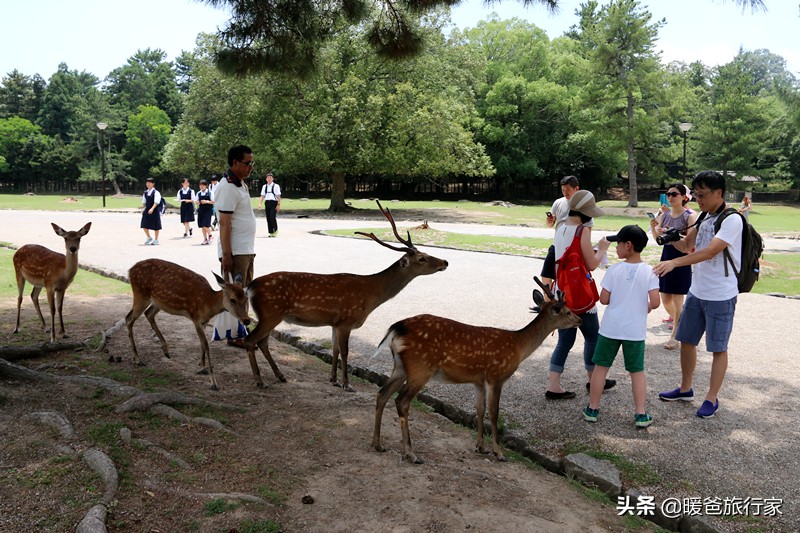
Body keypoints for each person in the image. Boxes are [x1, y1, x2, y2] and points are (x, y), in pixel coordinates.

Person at [653, 171, 743, 419]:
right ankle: (685, 389)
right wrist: (668, 237)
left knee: (718, 348)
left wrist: (674, 264)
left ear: (718, 193)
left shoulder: (732, 220)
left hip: (721, 294)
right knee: (687, 341)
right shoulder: (703, 216)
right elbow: (686, 246)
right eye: (696, 194)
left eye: (702, 195)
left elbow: (710, 252)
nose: (698, 200)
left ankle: (711, 398)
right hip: (698, 290)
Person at [583, 225, 660, 428]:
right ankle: (640, 413)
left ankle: (592, 407)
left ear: (628, 245)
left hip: (611, 327)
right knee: (636, 371)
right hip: (634, 330)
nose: (616, 248)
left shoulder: (615, 270)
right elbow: (656, 301)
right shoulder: (649, 271)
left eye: (618, 244)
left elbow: (604, 299)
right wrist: (647, 306)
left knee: (601, 367)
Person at [545, 190, 614, 400]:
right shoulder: (582, 231)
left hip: (562, 293)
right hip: (580, 295)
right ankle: (594, 380)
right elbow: (591, 264)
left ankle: (553, 385)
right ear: (586, 213)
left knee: (565, 341)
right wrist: (601, 249)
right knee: (593, 337)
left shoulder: (561, 228)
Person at [214, 145, 258, 348]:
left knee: (245, 292)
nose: (251, 167)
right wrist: (227, 254)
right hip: (236, 251)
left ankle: (241, 331)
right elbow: (224, 223)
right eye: (248, 163)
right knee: (236, 295)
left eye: (252, 163)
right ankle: (235, 335)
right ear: (235, 163)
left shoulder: (240, 184)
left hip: (245, 249)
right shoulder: (228, 187)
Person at [649, 183, 698, 350]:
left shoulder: (690, 216)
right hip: (667, 255)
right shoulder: (665, 215)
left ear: (684, 197)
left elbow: (689, 243)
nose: (670, 197)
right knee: (665, 298)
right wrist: (654, 228)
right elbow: (658, 241)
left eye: (674, 194)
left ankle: (675, 334)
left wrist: (672, 233)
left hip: (682, 258)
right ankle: (682, 321)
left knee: (678, 297)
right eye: (668, 194)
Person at [540, 176, 593, 296]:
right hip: (557, 245)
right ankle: (547, 304)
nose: (565, 193)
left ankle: (568, 303)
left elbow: (588, 230)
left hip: (573, 248)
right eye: (563, 190)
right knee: (546, 275)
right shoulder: (558, 203)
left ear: (576, 189)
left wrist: (585, 250)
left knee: (569, 276)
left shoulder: (583, 205)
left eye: (568, 190)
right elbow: (550, 225)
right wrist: (550, 221)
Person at [258, 172, 282, 237]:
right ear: (266, 179)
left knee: (272, 216)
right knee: (268, 217)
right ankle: (271, 232)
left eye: (270, 178)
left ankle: (275, 230)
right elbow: (262, 196)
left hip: (274, 203)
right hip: (267, 203)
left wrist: (278, 205)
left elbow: (279, 196)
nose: (269, 179)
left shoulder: (276, 186)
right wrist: (260, 203)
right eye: (268, 178)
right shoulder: (264, 186)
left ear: (273, 179)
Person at [140, 177, 162, 245]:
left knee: (156, 226)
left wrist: (152, 209)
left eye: (150, 183)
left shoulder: (156, 192)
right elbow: (144, 202)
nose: (148, 184)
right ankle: (149, 237)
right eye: (147, 183)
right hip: (147, 210)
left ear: (153, 184)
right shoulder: (145, 193)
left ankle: (156, 239)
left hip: (154, 210)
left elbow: (156, 202)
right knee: (144, 225)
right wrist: (142, 207)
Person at [196, 179, 215, 245]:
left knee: (205, 224)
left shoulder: (210, 192)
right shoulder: (198, 193)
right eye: (200, 185)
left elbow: (213, 201)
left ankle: (210, 235)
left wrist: (206, 201)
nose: (201, 186)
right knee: (202, 225)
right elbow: (196, 201)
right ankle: (205, 239)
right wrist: (198, 202)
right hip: (201, 210)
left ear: (206, 186)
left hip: (208, 210)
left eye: (203, 185)